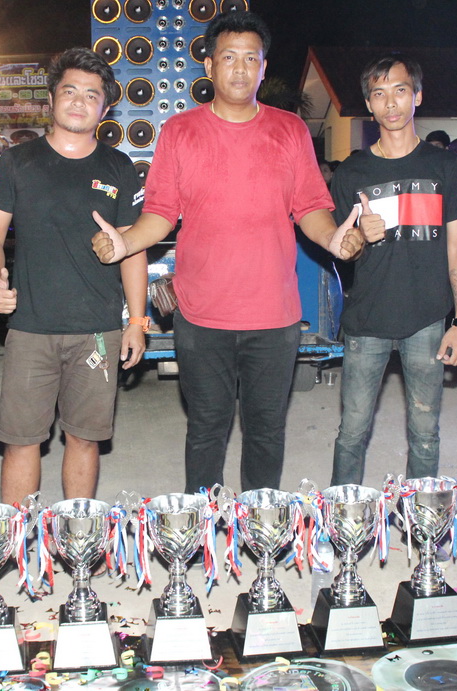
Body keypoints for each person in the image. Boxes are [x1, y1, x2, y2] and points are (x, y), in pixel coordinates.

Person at [91, 11, 363, 493]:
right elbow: (161, 212)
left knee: (266, 433)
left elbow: (310, 207)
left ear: (263, 67)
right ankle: (202, 527)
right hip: (201, 317)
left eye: (250, 59)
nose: (240, 69)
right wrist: (125, 242)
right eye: (229, 58)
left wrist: (333, 238)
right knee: (206, 430)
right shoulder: (180, 131)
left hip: (274, 316)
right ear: (209, 66)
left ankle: (260, 531)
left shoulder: (290, 130)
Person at [0, 47, 148, 504]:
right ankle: (15, 537)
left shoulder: (118, 167)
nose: (79, 101)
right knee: (20, 441)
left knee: (85, 439)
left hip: (98, 330)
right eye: (70, 91)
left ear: (105, 109)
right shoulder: (17, 162)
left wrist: (136, 321)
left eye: (91, 95)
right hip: (30, 328)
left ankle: (78, 537)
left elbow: (132, 249)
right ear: (51, 98)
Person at [329, 54, 457, 486]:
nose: (390, 103)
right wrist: (360, 235)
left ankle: (421, 520)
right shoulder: (352, 172)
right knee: (352, 432)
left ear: (417, 96)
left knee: (425, 434)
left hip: (427, 319)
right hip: (366, 320)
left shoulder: (445, 167)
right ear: (368, 104)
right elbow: (342, 253)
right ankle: (345, 519)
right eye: (379, 94)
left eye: (399, 90)